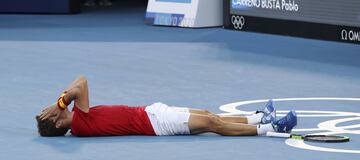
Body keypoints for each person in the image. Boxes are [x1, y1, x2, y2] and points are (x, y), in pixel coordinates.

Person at [37, 76, 297, 137]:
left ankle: (258, 118)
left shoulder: (78, 119)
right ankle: (269, 128)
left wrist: (59, 103)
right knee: (211, 124)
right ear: (59, 123)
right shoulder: (80, 123)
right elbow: (81, 83)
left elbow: (77, 84)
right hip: (156, 123)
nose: (57, 108)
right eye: (54, 113)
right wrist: (60, 101)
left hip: (151, 111)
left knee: (208, 114)